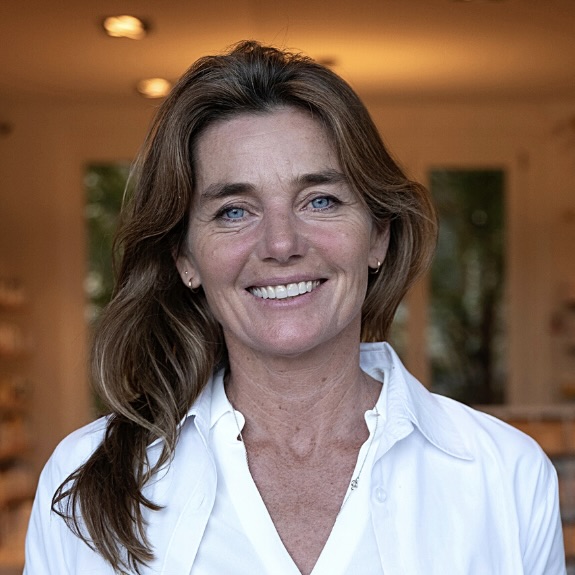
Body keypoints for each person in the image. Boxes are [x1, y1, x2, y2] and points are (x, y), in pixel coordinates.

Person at [24, 41, 565, 575]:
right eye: (234, 211)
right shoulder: (82, 485)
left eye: (320, 200)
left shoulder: (505, 476)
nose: (281, 244)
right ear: (185, 258)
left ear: (378, 236)